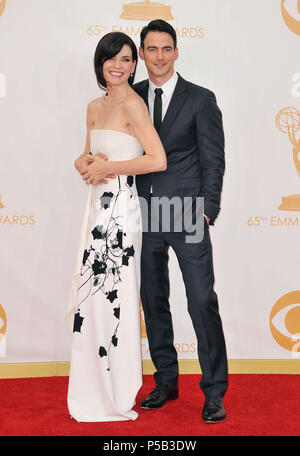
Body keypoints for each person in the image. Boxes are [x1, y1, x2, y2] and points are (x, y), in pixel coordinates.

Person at [66, 31, 166, 422]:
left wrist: (110, 169)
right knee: (90, 299)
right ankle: (91, 386)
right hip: (94, 210)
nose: (119, 66)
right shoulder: (93, 106)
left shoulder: (135, 106)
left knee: (116, 296)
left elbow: (156, 159)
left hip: (121, 212)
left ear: (134, 64)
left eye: (126, 59)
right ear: (101, 63)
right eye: (113, 59)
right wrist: (85, 165)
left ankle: (117, 389)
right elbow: (86, 154)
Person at [133, 20, 228, 423]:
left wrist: (208, 208)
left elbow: (213, 158)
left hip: (188, 211)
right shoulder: (132, 97)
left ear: (176, 52)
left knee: (201, 299)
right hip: (143, 213)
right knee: (153, 301)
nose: (158, 57)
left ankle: (214, 391)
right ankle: (166, 380)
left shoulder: (201, 99)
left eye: (166, 49)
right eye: (151, 49)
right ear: (141, 54)